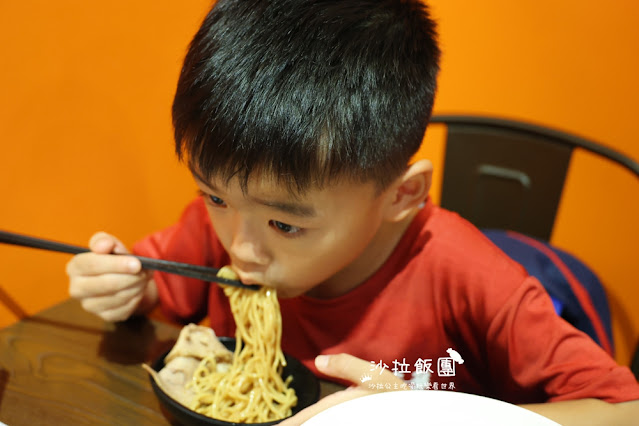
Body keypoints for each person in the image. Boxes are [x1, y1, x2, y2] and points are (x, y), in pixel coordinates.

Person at [66, 0, 639, 424]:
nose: (240, 248)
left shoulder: (468, 276)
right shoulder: (234, 221)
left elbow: (623, 409)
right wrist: (125, 289)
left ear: (401, 196)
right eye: (213, 196)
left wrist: (430, 415)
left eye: (286, 224)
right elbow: (154, 286)